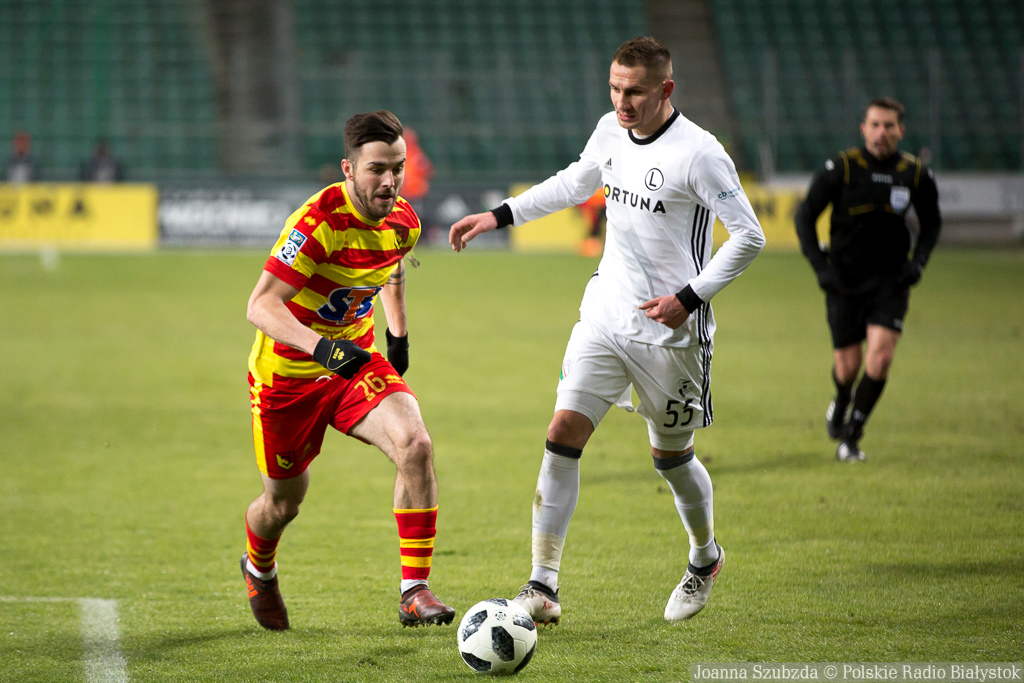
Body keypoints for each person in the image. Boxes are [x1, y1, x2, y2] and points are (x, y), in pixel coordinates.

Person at [449, 37, 765, 623]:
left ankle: (705, 557)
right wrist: (498, 215)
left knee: (671, 460)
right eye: (615, 88)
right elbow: (573, 184)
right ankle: (542, 585)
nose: (622, 101)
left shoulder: (700, 154)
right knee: (562, 432)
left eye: (635, 91)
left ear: (666, 89)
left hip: (671, 335)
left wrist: (689, 298)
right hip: (605, 316)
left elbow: (749, 236)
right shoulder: (610, 130)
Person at [241, 110, 455, 630]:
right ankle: (259, 568)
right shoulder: (317, 224)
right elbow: (261, 305)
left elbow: (391, 266)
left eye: (397, 168)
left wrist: (397, 334)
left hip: (354, 364)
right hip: (288, 379)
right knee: (283, 504)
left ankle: (414, 591)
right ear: (349, 169)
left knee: (416, 445)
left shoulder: (403, 221)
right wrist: (324, 350)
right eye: (376, 169)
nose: (389, 181)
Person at [794, 97, 941, 463]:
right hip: (844, 282)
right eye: (875, 125)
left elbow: (932, 224)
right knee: (847, 368)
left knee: (881, 357)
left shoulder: (915, 173)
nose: (881, 132)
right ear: (863, 129)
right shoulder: (842, 167)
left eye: (889, 126)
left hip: (891, 282)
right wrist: (821, 268)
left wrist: (918, 263)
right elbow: (804, 216)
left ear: (900, 131)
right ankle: (843, 398)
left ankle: (851, 437)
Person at [578, 188, 606, 257]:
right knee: (595, 227)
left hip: (603, 204)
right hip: (598, 204)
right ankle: (592, 246)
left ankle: (593, 246)